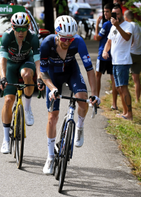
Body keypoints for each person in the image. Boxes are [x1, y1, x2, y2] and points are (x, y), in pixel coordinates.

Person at [40, 16, 100, 174]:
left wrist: (94, 94)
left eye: (70, 38)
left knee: (82, 98)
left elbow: (89, 70)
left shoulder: (78, 42)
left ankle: (79, 126)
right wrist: (52, 88)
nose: (67, 42)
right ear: (57, 34)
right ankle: (50, 157)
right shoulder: (47, 43)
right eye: (64, 38)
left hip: (71, 71)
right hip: (53, 76)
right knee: (52, 117)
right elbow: (43, 72)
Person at [0, 12, 43, 154]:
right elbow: (2, 61)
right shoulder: (7, 37)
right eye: (17, 28)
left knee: (27, 75)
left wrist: (40, 77)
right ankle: (5, 140)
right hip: (11, 65)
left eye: (24, 28)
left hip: (26, 62)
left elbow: (37, 61)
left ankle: (28, 108)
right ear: (13, 27)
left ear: (28, 27)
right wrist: (3, 77)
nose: (21, 31)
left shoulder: (33, 37)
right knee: (8, 100)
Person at [102, 5, 133, 121]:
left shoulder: (128, 25)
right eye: (114, 14)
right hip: (115, 62)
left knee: (123, 88)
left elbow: (127, 37)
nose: (116, 16)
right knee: (119, 88)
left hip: (123, 61)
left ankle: (129, 114)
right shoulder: (112, 28)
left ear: (122, 14)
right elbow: (109, 42)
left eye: (118, 14)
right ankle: (125, 112)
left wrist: (117, 26)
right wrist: (105, 51)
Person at [94, 4, 118, 110]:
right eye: (104, 12)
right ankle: (114, 104)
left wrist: (96, 24)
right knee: (113, 78)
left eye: (107, 12)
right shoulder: (117, 24)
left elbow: (97, 38)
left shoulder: (106, 24)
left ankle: (96, 100)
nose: (105, 14)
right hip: (113, 55)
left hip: (103, 54)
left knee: (97, 76)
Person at [124, 10, 141, 103]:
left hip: (131, 53)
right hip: (139, 53)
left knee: (124, 76)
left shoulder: (130, 26)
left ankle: (125, 97)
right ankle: (137, 99)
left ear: (126, 18)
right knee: (136, 79)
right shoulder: (140, 26)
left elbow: (130, 40)